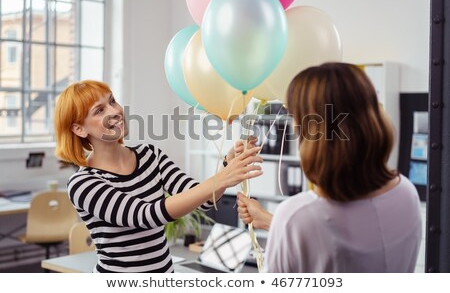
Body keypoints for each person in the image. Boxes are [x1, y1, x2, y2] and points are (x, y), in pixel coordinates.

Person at [54, 80, 262, 273]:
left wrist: (227, 163)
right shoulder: (83, 183)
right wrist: (223, 177)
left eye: (112, 101)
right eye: (99, 110)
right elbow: (147, 216)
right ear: (79, 129)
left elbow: (204, 201)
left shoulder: (149, 154)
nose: (115, 111)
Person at [237, 62, 422, 272]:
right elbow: (349, 236)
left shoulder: (296, 216)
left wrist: (281, 225)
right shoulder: (406, 193)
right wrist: (273, 222)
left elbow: (318, 231)